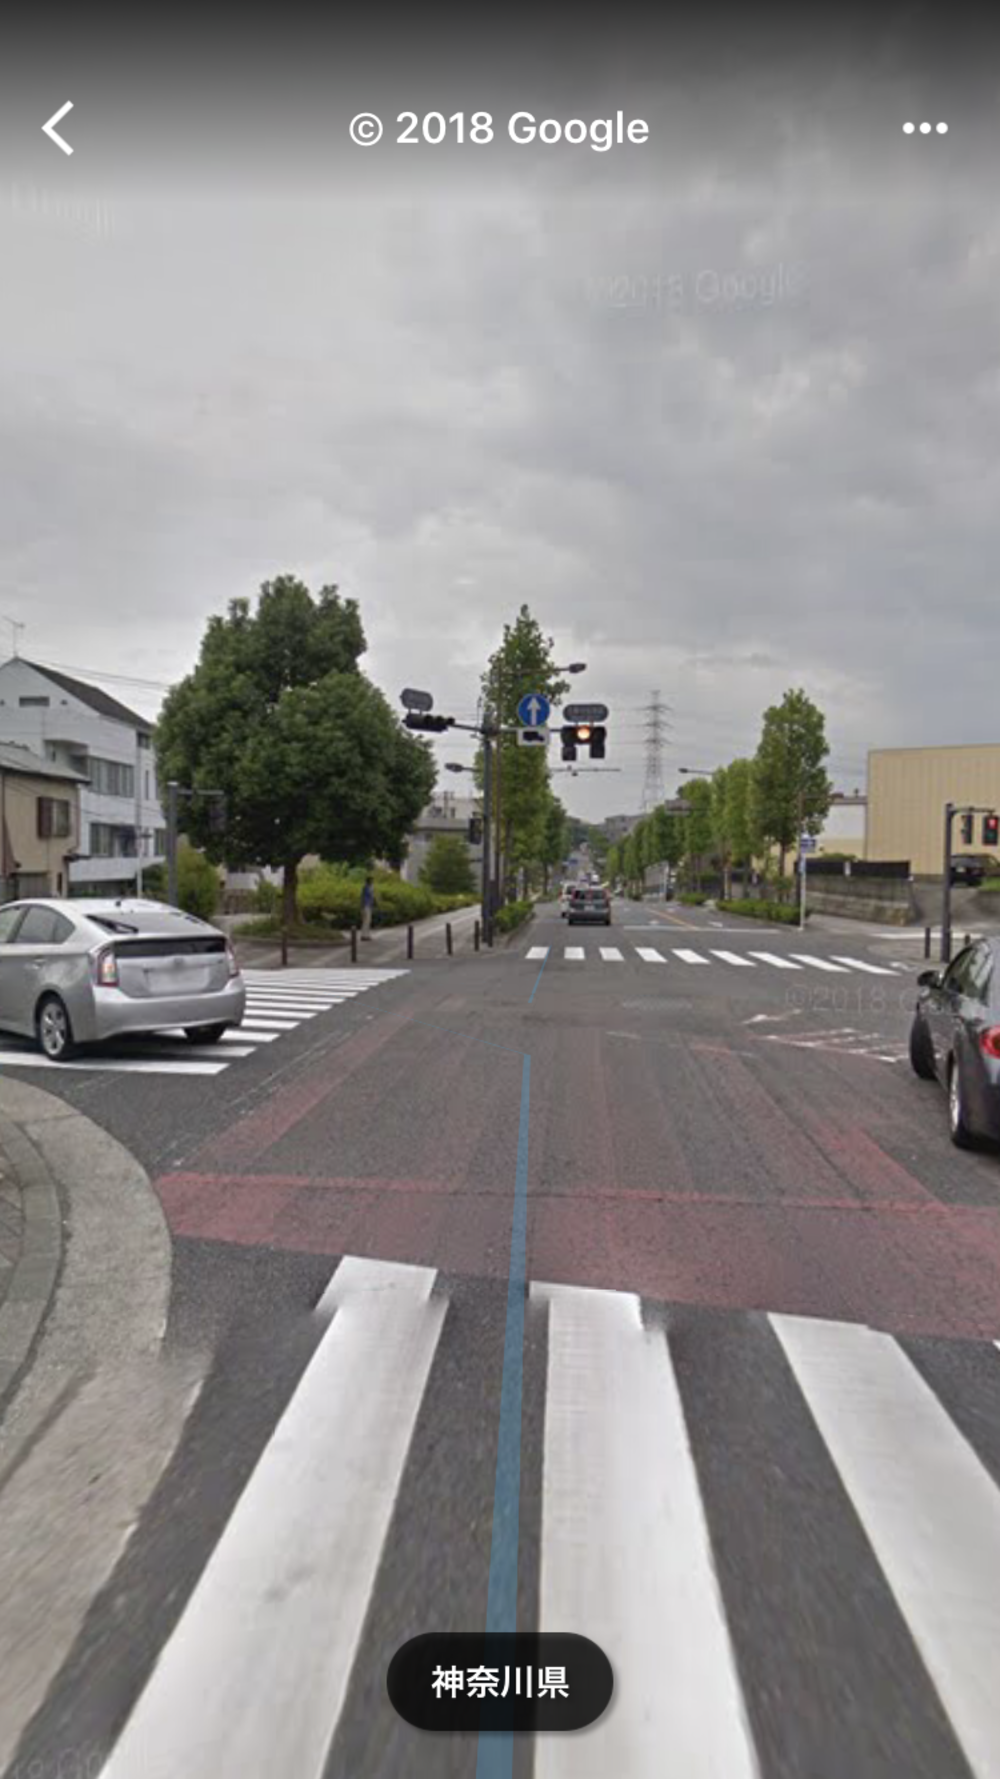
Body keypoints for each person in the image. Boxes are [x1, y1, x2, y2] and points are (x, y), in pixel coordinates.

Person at [360, 873, 376, 940]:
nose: (372, 882)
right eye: (372, 880)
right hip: (366, 906)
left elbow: (372, 897)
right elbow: (364, 897)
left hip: (368, 906)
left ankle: (366, 935)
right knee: (366, 921)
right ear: (369, 881)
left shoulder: (369, 887)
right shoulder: (366, 887)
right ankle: (364, 936)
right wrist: (362, 907)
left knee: (368, 921)